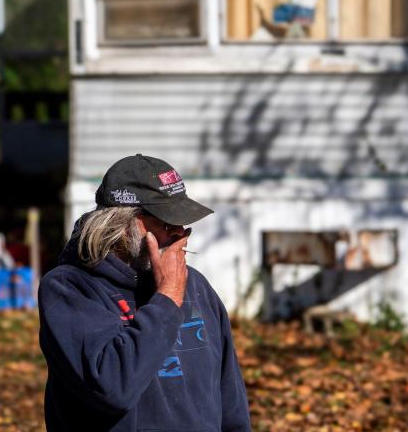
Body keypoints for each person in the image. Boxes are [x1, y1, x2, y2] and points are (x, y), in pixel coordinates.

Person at [38, 154, 251, 432]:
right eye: (167, 224)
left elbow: (230, 400)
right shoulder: (71, 288)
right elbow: (113, 388)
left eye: (184, 224)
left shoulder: (195, 286)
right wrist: (166, 300)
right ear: (124, 224)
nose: (181, 236)